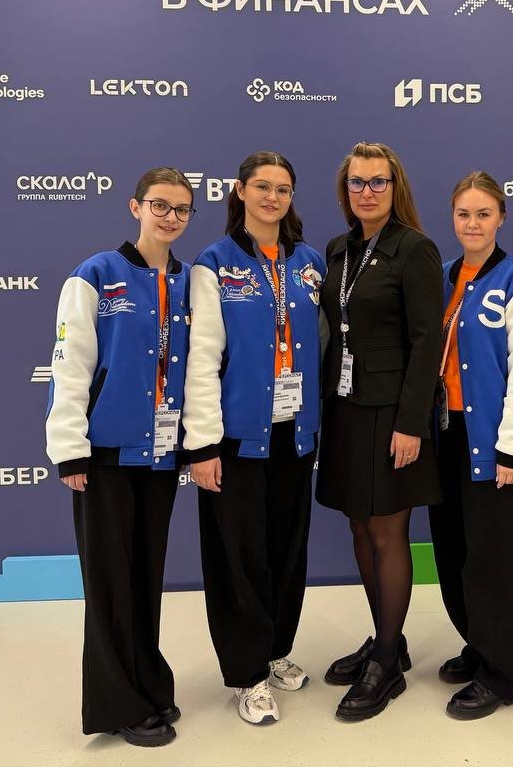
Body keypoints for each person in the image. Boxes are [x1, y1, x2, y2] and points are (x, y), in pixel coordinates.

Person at [45, 167, 196, 747]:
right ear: (136, 207)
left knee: (145, 576)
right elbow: (70, 366)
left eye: (181, 209)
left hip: (159, 456)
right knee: (110, 583)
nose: (170, 218)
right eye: (160, 205)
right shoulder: (96, 275)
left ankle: (150, 685)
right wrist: (70, 450)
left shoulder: (188, 281)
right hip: (105, 455)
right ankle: (118, 705)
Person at [182, 152, 325, 725]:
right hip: (236, 438)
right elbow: (201, 359)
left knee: (287, 549)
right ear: (240, 191)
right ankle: (246, 673)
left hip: (295, 434)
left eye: (283, 189)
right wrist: (202, 445)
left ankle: (275, 649)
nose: (272, 197)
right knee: (238, 558)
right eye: (262, 186)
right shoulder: (214, 264)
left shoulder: (309, 263)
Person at [317, 141, 444, 721]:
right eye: (357, 182)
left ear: (396, 188)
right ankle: (387, 638)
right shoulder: (338, 249)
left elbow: (427, 341)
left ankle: (387, 663)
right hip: (345, 408)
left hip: (393, 414)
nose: (366, 192)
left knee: (389, 531)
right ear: (345, 190)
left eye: (378, 182)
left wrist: (411, 423)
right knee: (359, 527)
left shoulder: (414, 249)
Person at [428, 171, 513, 720]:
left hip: (498, 443)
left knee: (501, 560)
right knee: (457, 552)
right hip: (448, 436)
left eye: (483, 214)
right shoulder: (445, 277)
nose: (472, 224)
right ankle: (479, 644)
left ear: (502, 217)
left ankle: (503, 674)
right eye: (463, 214)